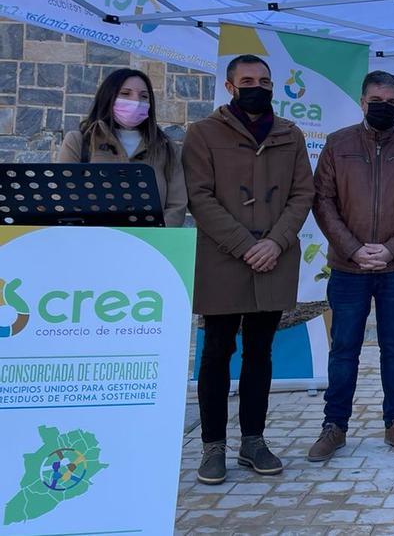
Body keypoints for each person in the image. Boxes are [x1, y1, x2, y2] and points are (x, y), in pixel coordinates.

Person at [184, 55, 315, 485]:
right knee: (217, 352)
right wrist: (246, 244)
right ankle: (213, 446)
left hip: (273, 259)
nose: (256, 86)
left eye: (263, 80)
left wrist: (275, 242)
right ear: (229, 86)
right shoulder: (202, 134)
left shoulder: (291, 135)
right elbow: (199, 198)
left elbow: (302, 194)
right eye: (247, 80)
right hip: (224, 259)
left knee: (261, 352)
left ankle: (253, 441)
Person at [307, 70, 394, 462]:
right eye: (376, 101)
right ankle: (334, 426)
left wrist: (391, 249)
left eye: (392, 103)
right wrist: (353, 248)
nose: (384, 108)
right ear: (362, 102)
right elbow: (323, 200)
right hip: (349, 269)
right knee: (344, 349)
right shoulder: (337, 144)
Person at [57, 67, 187, 227]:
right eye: (126, 94)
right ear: (108, 97)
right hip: (91, 242)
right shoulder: (79, 141)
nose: (136, 101)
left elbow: (176, 205)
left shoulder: (167, 148)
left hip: (147, 246)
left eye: (144, 96)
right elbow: (65, 194)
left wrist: (157, 238)